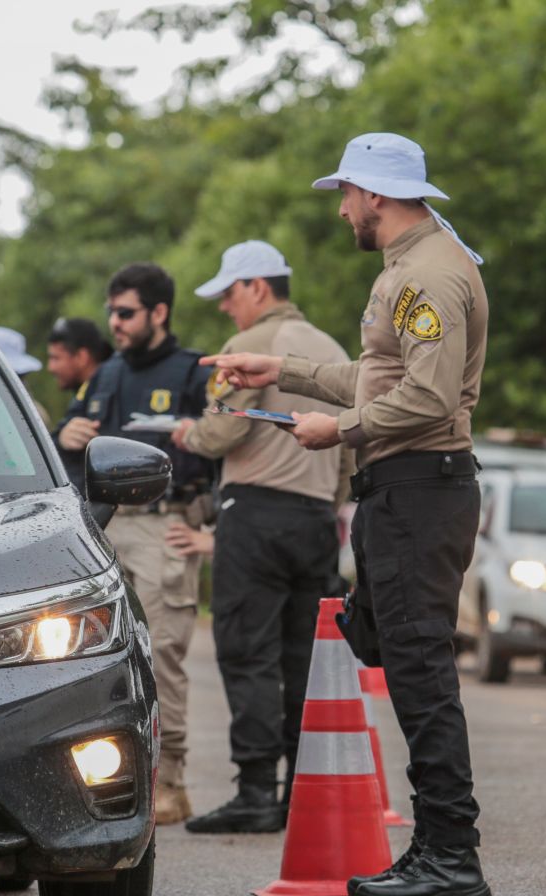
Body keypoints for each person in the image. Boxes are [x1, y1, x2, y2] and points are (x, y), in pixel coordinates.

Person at [202, 132, 490, 896]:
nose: (341, 210)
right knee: (400, 654)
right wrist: (282, 372)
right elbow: (375, 376)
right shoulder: (409, 270)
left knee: (420, 667)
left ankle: (450, 855)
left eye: (345, 194)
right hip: (404, 490)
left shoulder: (427, 276)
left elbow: (425, 400)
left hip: (418, 489)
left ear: (375, 194)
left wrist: (344, 430)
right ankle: (436, 847)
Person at [171, 240, 353, 834]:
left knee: (248, 653)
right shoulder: (330, 349)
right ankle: (301, 790)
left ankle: (254, 791)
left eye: (229, 294)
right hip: (317, 519)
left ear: (256, 287)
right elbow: (350, 439)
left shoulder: (253, 346)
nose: (226, 307)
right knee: (303, 657)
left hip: (256, 513)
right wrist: (332, 500)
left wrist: (188, 434)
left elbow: (220, 431)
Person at [86, 263, 216, 825]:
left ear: (159, 313)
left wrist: (213, 529)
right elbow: (78, 436)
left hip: (167, 524)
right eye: (111, 311)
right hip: (109, 526)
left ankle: (172, 782)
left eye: (126, 312)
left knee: (162, 654)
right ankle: (108, 780)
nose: (114, 322)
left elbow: (224, 449)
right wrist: (70, 432)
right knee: (98, 658)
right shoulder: (109, 373)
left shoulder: (194, 372)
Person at [44, 317, 108, 492]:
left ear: (81, 357)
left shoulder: (106, 388)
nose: (50, 367)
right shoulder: (84, 393)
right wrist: (62, 438)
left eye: (56, 358)